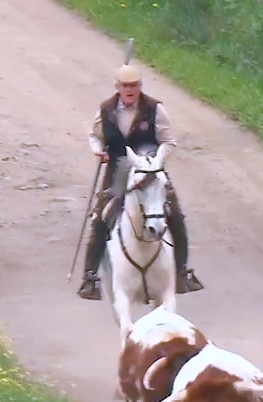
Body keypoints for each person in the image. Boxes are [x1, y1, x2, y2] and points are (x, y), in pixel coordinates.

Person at [78, 64, 203, 300]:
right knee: (101, 218)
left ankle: (181, 272)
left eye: (134, 85)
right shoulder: (105, 110)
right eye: (125, 86)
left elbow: (168, 141)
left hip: (150, 170)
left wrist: (157, 159)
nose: (130, 90)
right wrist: (98, 151)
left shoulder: (155, 109)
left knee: (175, 214)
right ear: (118, 88)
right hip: (118, 171)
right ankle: (90, 277)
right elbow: (95, 136)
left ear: (140, 87)